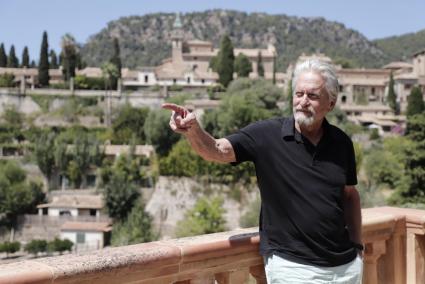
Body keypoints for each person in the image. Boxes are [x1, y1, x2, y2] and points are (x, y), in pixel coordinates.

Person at [163, 59, 363, 283]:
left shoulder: (341, 142)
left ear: (331, 103)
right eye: (298, 94)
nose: (303, 101)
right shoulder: (266, 135)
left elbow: (349, 195)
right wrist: (193, 130)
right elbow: (217, 150)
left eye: (312, 96)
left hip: (345, 269)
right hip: (294, 268)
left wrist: (357, 246)